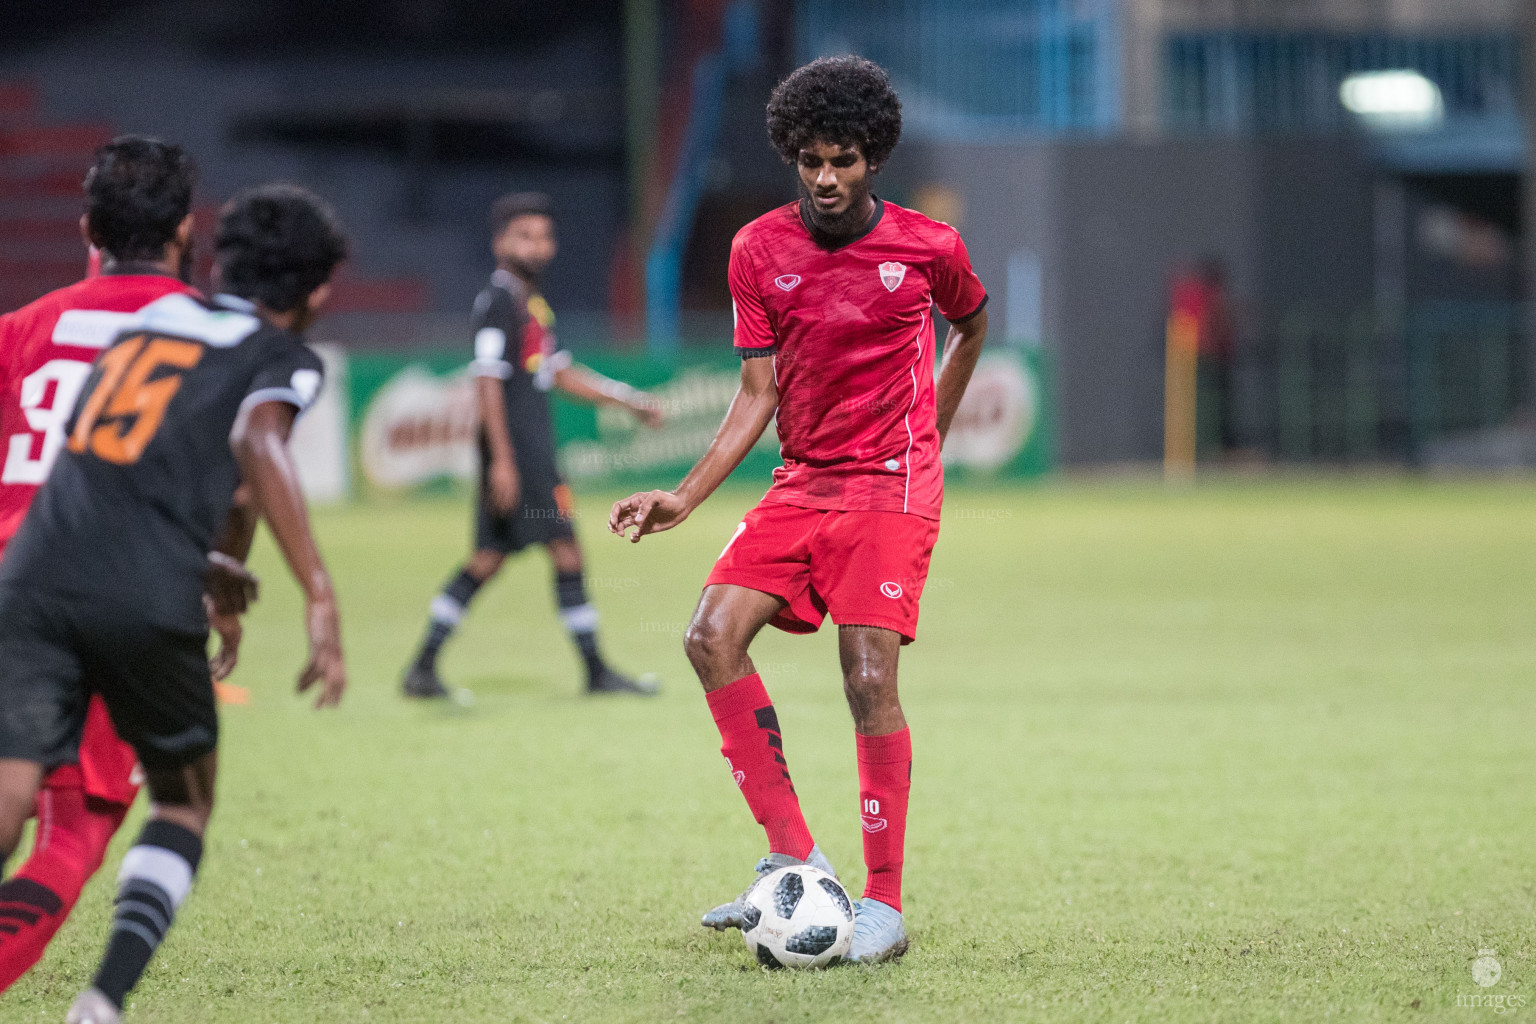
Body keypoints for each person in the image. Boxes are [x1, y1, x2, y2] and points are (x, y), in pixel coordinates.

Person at [609, 56, 989, 963]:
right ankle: (795, 860)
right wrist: (685, 497)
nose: (825, 178)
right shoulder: (756, 250)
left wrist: (930, 427)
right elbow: (756, 393)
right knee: (708, 634)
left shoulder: (928, 247)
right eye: (811, 160)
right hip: (804, 479)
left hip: (890, 485)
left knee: (866, 678)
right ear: (792, 154)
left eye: (844, 160)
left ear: (874, 159)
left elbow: (972, 323)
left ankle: (883, 905)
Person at [0, 182, 349, 1024]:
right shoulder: (279, 353)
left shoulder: (149, 325)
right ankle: (102, 1001)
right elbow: (254, 438)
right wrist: (320, 594)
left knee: (10, 797)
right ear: (318, 290)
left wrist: (223, 554)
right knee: (183, 800)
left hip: (32, 576)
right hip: (143, 595)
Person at [0, 136, 254, 996]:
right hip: (107, 599)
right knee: (73, 830)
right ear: (188, 231)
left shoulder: (19, 333)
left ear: (87, 229)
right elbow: (238, 484)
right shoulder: (212, 339)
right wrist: (222, 592)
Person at [403, 192, 665, 699]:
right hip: (521, 456)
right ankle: (595, 673)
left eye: (545, 236)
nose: (538, 246)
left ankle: (422, 668)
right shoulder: (498, 301)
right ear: (499, 242)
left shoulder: (532, 305)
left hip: (522, 456)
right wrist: (502, 461)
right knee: (564, 549)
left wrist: (626, 399)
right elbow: (486, 381)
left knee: (489, 557)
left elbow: (559, 371)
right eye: (525, 235)